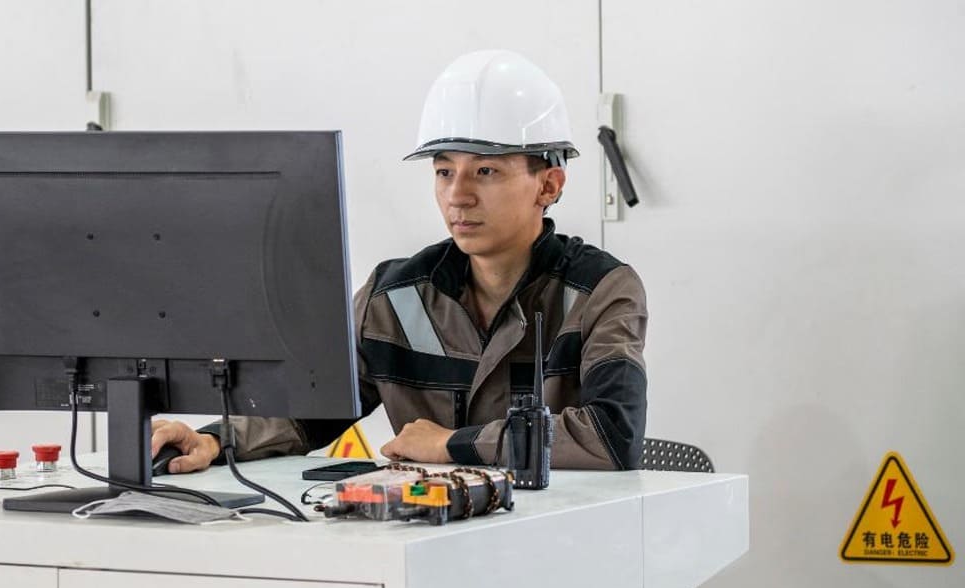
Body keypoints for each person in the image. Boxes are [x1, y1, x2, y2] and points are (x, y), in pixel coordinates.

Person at [150, 49, 648, 473]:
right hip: (427, 534)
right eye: (444, 172)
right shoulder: (393, 298)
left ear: (549, 185)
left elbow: (611, 435)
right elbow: (310, 411)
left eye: (486, 171)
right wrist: (214, 440)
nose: (458, 195)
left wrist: (450, 445)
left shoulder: (599, 291)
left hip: (555, 540)